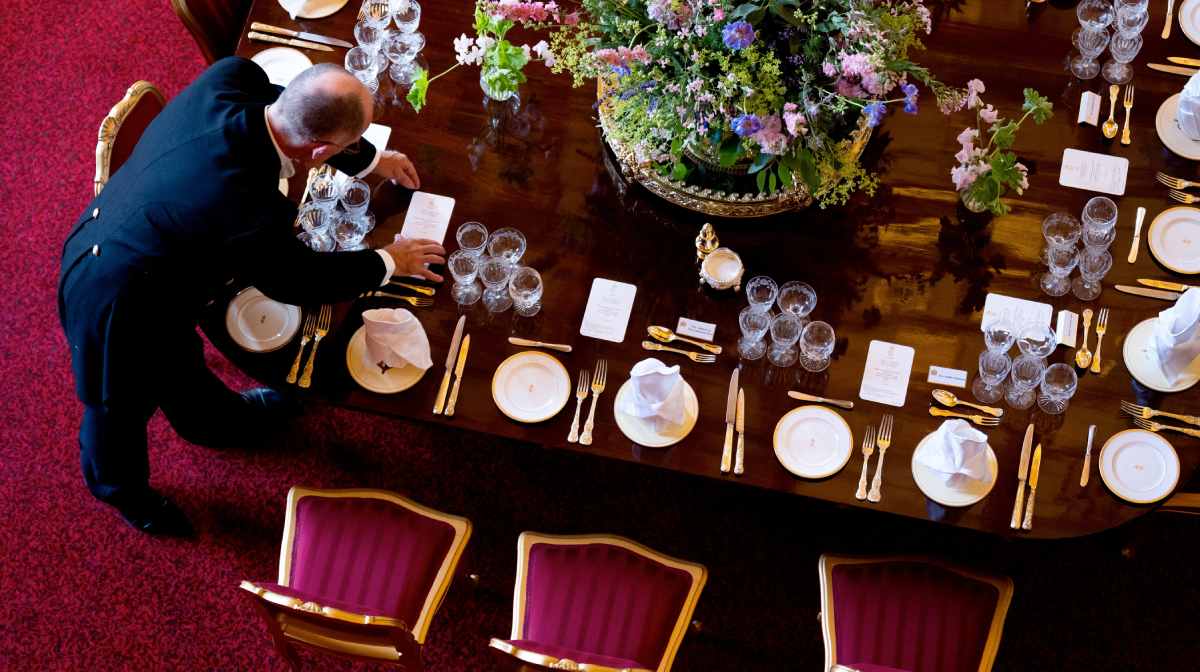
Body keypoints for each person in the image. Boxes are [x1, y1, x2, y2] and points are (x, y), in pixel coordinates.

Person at [58, 57, 446, 536]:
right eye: (342, 147)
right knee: (116, 409)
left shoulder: (234, 75)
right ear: (320, 150)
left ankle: (213, 424)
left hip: (154, 253)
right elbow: (299, 281)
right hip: (113, 296)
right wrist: (392, 261)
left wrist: (368, 159)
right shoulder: (250, 210)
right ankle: (126, 494)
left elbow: (302, 106)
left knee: (178, 360)